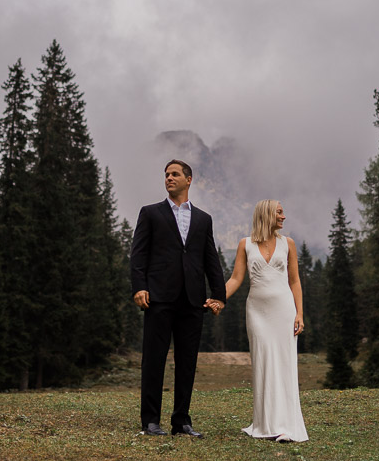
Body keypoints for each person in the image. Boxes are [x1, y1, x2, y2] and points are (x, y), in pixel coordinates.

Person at [130, 159, 227, 437]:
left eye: (174, 174)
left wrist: (218, 296)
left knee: (188, 362)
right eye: (166, 175)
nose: (169, 178)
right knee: (154, 359)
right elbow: (138, 255)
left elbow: (211, 259)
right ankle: (150, 421)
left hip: (192, 300)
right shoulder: (150, 213)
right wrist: (139, 287)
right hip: (158, 297)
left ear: (189, 179)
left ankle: (182, 422)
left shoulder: (203, 219)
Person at [224, 199, 309, 442]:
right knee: (262, 364)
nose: (284, 217)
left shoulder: (288, 244)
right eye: (279, 212)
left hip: (284, 311)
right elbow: (236, 279)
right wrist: (218, 299)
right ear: (267, 214)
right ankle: (264, 423)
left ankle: (285, 425)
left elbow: (294, 281)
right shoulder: (245, 244)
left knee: (284, 364)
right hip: (257, 313)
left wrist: (299, 313)